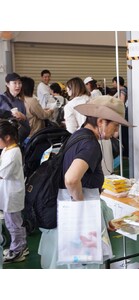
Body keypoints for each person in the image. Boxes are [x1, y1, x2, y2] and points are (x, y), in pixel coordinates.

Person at [38, 95, 133, 269]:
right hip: (74, 218)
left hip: (61, 212)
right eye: (115, 125)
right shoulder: (90, 145)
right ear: (102, 121)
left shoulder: (78, 135)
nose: (116, 131)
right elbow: (71, 179)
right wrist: (81, 208)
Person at [0, 119, 28, 264]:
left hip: (11, 194)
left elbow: (2, 173)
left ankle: (17, 251)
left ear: (7, 137)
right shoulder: (8, 149)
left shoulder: (13, 154)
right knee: (15, 221)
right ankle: (22, 246)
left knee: (13, 223)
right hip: (8, 192)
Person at [0, 73, 31, 147]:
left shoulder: (20, 102)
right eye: (15, 83)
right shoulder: (1, 99)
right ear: (7, 84)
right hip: (3, 141)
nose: (18, 86)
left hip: (16, 141)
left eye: (19, 83)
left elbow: (26, 125)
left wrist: (23, 117)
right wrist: (10, 114)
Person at [21, 76, 54, 142]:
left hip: (25, 133)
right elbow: (43, 115)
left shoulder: (20, 99)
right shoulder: (32, 101)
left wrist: (42, 110)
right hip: (34, 134)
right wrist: (51, 111)